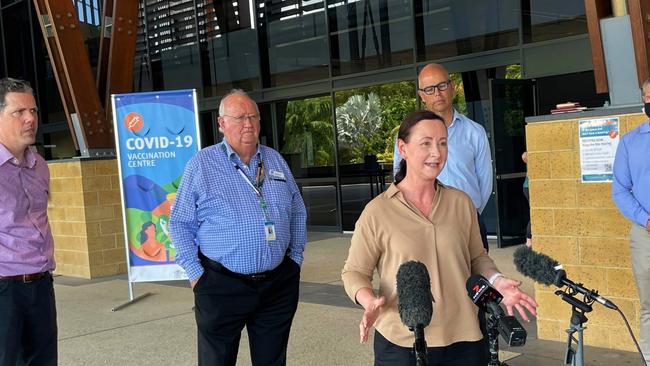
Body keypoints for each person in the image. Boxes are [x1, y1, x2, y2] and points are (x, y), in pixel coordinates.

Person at [343, 110, 537, 365]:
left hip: (464, 339)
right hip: (401, 341)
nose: (436, 152)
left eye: (442, 143)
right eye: (426, 143)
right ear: (403, 148)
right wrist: (369, 300)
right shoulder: (378, 211)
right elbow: (354, 272)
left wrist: (497, 280)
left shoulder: (461, 202)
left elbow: (477, 258)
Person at [170, 89, 307, 366]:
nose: (248, 124)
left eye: (254, 117)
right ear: (222, 124)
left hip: (277, 285)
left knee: (272, 360)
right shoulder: (202, 164)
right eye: (240, 117)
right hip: (221, 285)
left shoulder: (275, 160)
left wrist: (295, 260)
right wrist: (198, 276)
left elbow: (298, 211)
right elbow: (180, 223)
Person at [393, 64, 492, 251]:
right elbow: (399, 177)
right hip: (421, 222)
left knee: (476, 277)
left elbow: (485, 183)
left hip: (467, 222)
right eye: (429, 89)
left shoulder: (474, 132)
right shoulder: (408, 135)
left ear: (452, 87)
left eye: (442, 86)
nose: (437, 93)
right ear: (421, 95)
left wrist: (468, 213)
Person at [0, 77, 57, 365]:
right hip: (4, 290)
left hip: (41, 285)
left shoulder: (40, 167)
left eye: (33, 111)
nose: (29, 119)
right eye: (19, 112)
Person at [612, 79, 650, 363]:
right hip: (645, 234)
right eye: (647, 97)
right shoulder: (631, 141)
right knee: (649, 305)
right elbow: (620, 189)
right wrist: (645, 219)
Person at [522, 151, 532, 247]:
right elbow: (524, 156)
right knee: (535, 213)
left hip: (529, 187)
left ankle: (530, 239)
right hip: (529, 187)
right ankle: (529, 239)